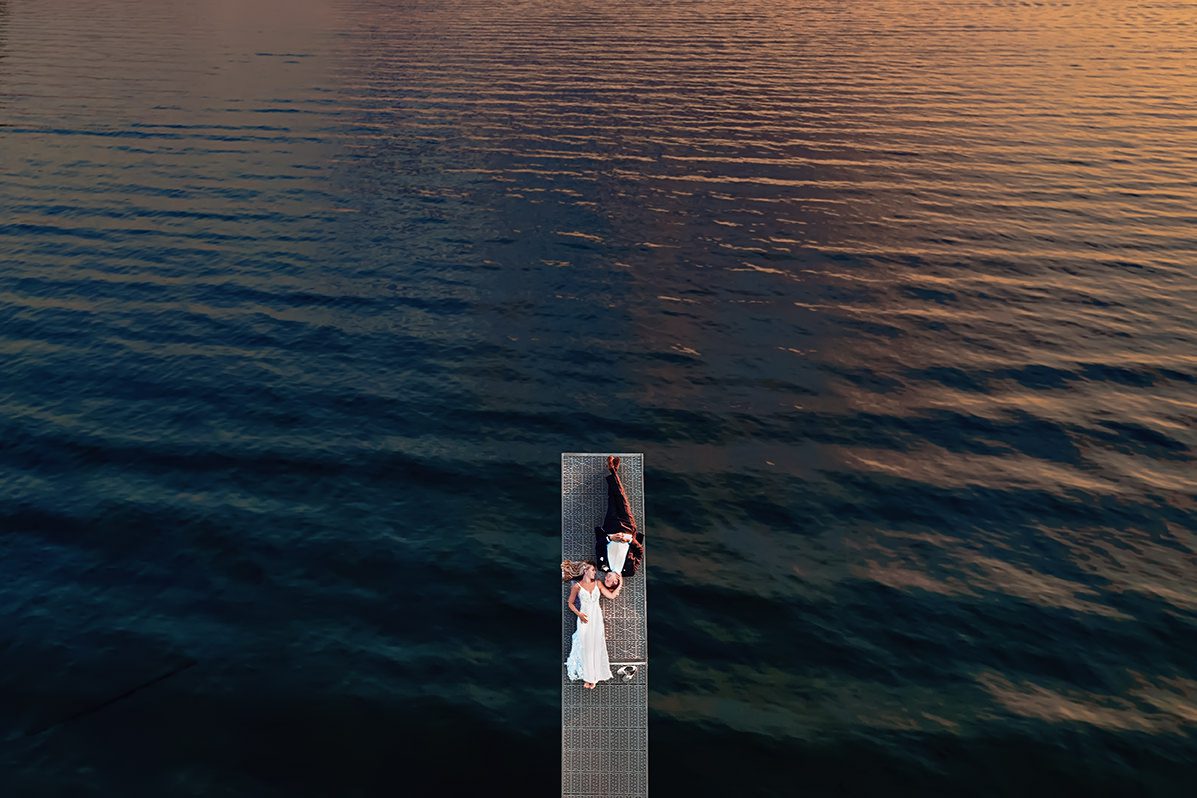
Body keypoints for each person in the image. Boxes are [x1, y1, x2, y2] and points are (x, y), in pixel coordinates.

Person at [563, 562, 621, 689]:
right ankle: (589, 677)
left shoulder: (598, 584)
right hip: (584, 618)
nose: (595, 573)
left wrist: (620, 583)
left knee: (596, 645)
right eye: (593, 570)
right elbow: (570, 603)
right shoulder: (577, 586)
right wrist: (579, 614)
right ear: (586, 570)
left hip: (596, 618)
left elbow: (611, 596)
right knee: (585, 646)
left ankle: (593, 679)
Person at [594, 456, 644, 576]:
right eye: (610, 582)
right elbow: (639, 552)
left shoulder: (603, 567)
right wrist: (630, 540)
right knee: (623, 500)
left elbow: (599, 546)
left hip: (611, 528)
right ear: (616, 582)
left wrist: (610, 539)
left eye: (605, 580)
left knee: (613, 500)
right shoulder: (630, 571)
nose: (607, 579)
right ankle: (612, 470)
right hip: (628, 528)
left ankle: (614, 471)